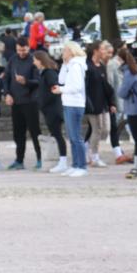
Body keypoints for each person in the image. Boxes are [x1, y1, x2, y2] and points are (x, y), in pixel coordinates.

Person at [2, 37, 41, 170]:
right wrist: (7, 93)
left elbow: (39, 81)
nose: (21, 52)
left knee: (35, 132)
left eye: (24, 50)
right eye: (19, 50)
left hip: (30, 101)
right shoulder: (13, 59)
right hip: (16, 102)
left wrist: (26, 82)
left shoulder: (33, 60)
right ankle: (19, 160)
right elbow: (6, 77)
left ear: (28, 48)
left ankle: (40, 159)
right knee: (18, 133)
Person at [53, 41, 88, 177]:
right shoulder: (69, 65)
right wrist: (64, 64)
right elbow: (61, 79)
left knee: (76, 136)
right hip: (68, 102)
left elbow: (76, 87)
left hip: (75, 103)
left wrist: (61, 90)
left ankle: (82, 165)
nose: (63, 53)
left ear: (72, 51)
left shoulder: (77, 66)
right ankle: (75, 164)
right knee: (71, 136)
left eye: (65, 50)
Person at [116, 46, 137, 178]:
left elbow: (122, 92)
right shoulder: (134, 70)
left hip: (134, 108)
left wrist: (119, 89)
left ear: (121, 59)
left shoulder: (129, 73)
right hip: (136, 107)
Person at [32, 50, 65, 173]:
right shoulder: (44, 73)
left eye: (35, 60)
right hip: (49, 109)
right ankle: (60, 160)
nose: (34, 62)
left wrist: (44, 101)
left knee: (58, 135)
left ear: (40, 60)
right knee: (55, 134)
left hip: (53, 109)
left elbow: (54, 89)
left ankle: (63, 160)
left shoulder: (49, 73)